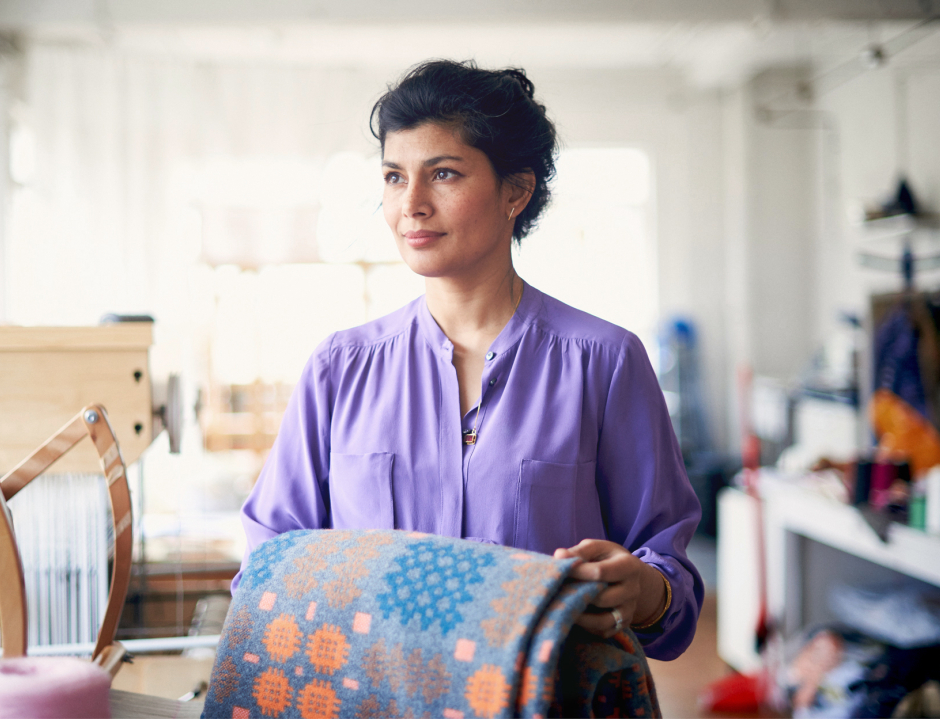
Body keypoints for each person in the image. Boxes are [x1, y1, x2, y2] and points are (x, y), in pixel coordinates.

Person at [234, 60, 703, 661]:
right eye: (394, 177)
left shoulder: (604, 363)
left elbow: (672, 591)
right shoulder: (339, 368)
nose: (412, 205)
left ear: (516, 191)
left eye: (444, 174)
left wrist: (645, 590)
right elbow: (266, 564)